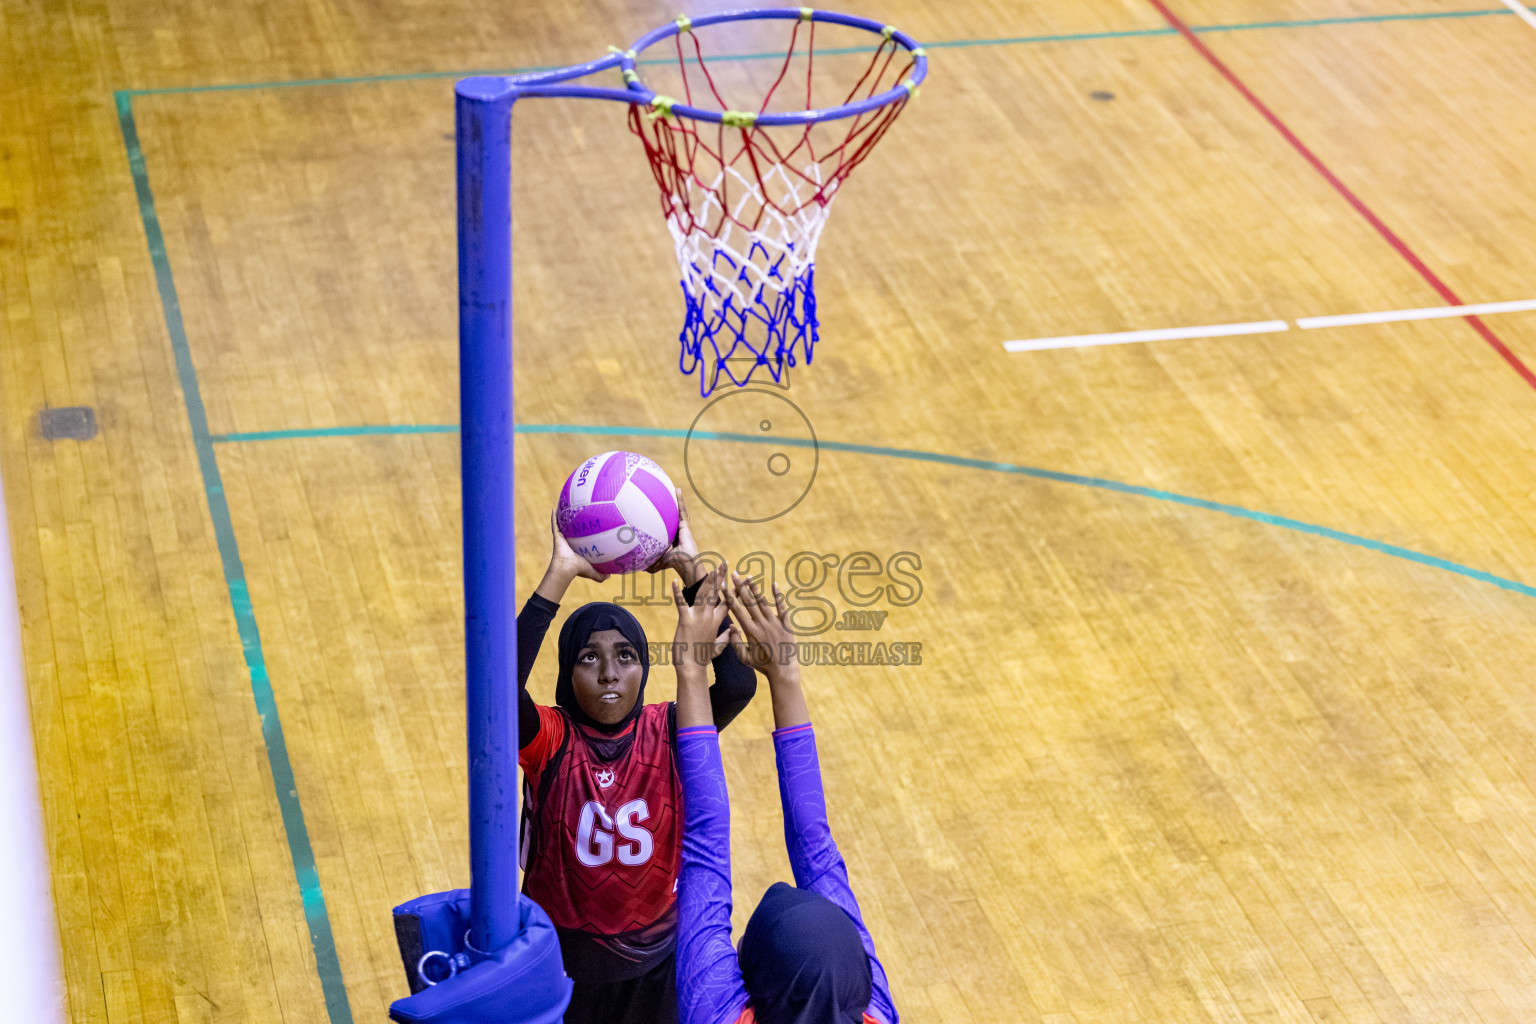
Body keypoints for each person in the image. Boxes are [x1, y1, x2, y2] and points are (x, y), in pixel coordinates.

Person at [517, 496, 755, 1024]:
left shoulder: (670, 729)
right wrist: (559, 574)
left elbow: (737, 684)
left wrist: (690, 570)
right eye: (589, 657)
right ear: (567, 672)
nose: (609, 673)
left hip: (654, 963)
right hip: (558, 964)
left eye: (625, 656)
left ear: (644, 668)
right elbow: (497, 688)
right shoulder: (550, 738)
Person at [671, 571, 898, 1024]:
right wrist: (781, 676)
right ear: (856, 980)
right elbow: (808, 846)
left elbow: (710, 841)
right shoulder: (866, 1009)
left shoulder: (715, 1016)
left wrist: (701, 670)